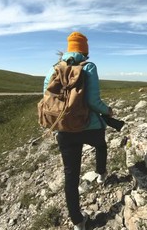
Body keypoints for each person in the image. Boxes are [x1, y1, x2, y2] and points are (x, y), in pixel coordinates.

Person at [43, 31, 112, 230]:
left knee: (71, 175)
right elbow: (93, 102)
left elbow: (48, 100)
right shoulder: (88, 67)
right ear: (85, 50)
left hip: (64, 130)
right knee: (101, 145)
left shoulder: (53, 69)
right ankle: (101, 174)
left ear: (68, 48)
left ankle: (77, 221)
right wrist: (108, 111)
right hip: (88, 126)